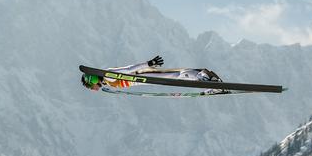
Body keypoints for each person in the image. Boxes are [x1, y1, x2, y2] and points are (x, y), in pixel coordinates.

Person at [80, 55, 223, 91]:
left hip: (141, 75)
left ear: (92, 79)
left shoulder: (108, 75)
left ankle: (204, 76)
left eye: (90, 86)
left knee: (174, 76)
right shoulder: (107, 81)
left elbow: (128, 69)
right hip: (141, 79)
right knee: (174, 77)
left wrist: (148, 64)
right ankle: (206, 81)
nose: (93, 89)